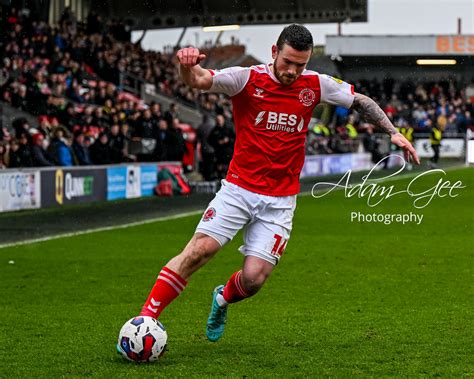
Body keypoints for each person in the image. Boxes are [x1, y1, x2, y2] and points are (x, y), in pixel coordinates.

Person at [130, 24, 420, 347]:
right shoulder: (246, 79)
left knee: (253, 280)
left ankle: (222, 299)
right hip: (238, 189)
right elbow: (199, 80)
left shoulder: (315, 85)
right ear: (274, 52)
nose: (293, 71)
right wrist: (186, 66)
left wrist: (391, 131)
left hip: (280, 200)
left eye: (301, 64)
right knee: (200, 251)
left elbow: (360, 101)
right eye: (288, 62)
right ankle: (145, 320)